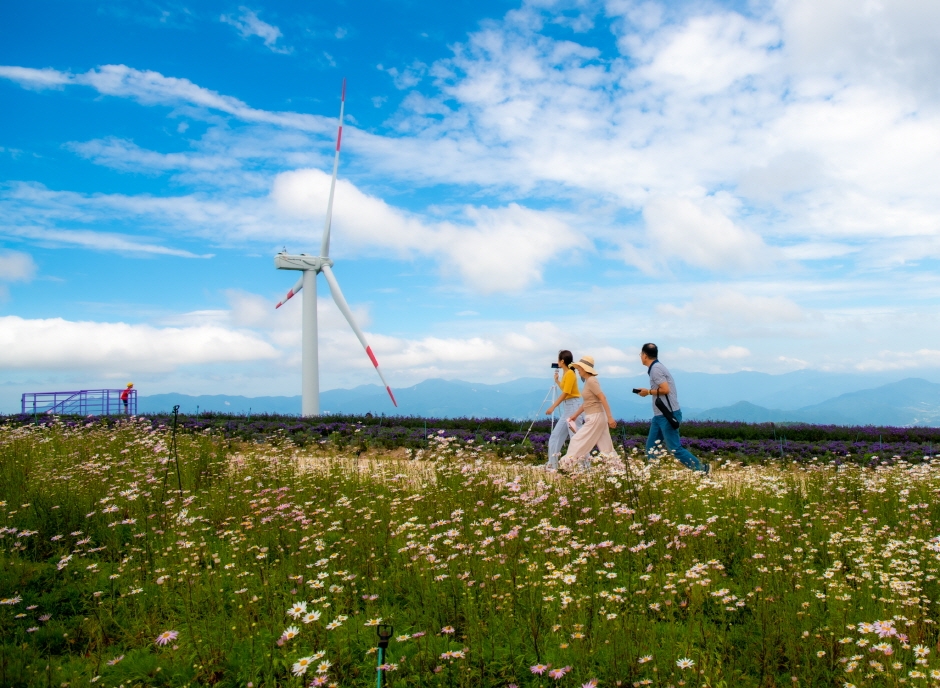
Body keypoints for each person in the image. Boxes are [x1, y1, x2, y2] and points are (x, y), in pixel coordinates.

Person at [637, 344, 708, 473]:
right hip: (659, 415)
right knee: (651, 448)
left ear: (645, 355)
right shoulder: (657, 367)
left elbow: (665, 389)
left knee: (675, 448)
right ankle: (653, 475)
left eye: (641, 354)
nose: (640, 357)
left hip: (667, 415)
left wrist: (647, 392)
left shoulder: (656, 369)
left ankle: (701, 470)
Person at [558, 356, 616, 468]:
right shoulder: (590, 381)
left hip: (595, 417)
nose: (578, 370)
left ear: (585, 369)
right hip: (597, 416)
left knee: (576, 440)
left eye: (579, 368)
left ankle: (567, 466)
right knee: (606, 447)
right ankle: (615, 468)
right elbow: (587, 402)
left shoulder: (591, 381)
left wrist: (610, 418)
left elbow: (602, 398)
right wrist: (575, 415)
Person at [542, 350, 583, 469]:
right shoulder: (567, 374)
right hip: (568, 408)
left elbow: (566, 393)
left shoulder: (570, 373)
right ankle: (552, 464)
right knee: (556, 435)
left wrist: (553, 406)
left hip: (573, 407)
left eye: (558, 360)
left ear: (562, 361)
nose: (557, 362)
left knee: (576, 437)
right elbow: (565, 389)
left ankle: (584, 466)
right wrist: (557, 381)